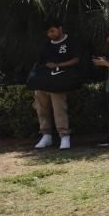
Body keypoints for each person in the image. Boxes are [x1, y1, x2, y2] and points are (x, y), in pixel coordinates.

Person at [33, 19, 80, 150]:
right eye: (48, 32)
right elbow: (40, 61)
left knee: (58, 105)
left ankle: (64, 135)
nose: (50, 34)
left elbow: (77, 59)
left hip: (63, 79)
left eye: (52, 30)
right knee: (40, 103)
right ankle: (46, 135)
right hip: (47, 79)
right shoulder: (46, 45)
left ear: (60, 28)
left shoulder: (72, 41)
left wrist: (58, 65)